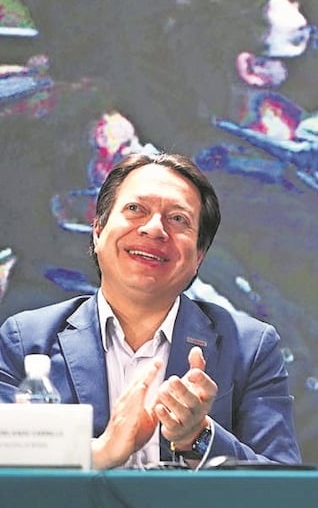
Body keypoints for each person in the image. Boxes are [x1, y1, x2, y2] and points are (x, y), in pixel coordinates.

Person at [0, 152, 301, 469]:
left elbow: (283, 486)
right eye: (135, 210)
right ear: (98, 231)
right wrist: (99, 453)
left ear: (199, 256)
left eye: (178, 219)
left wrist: (198, 436)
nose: (154, 229)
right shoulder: (26, 339)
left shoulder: (250, 347)